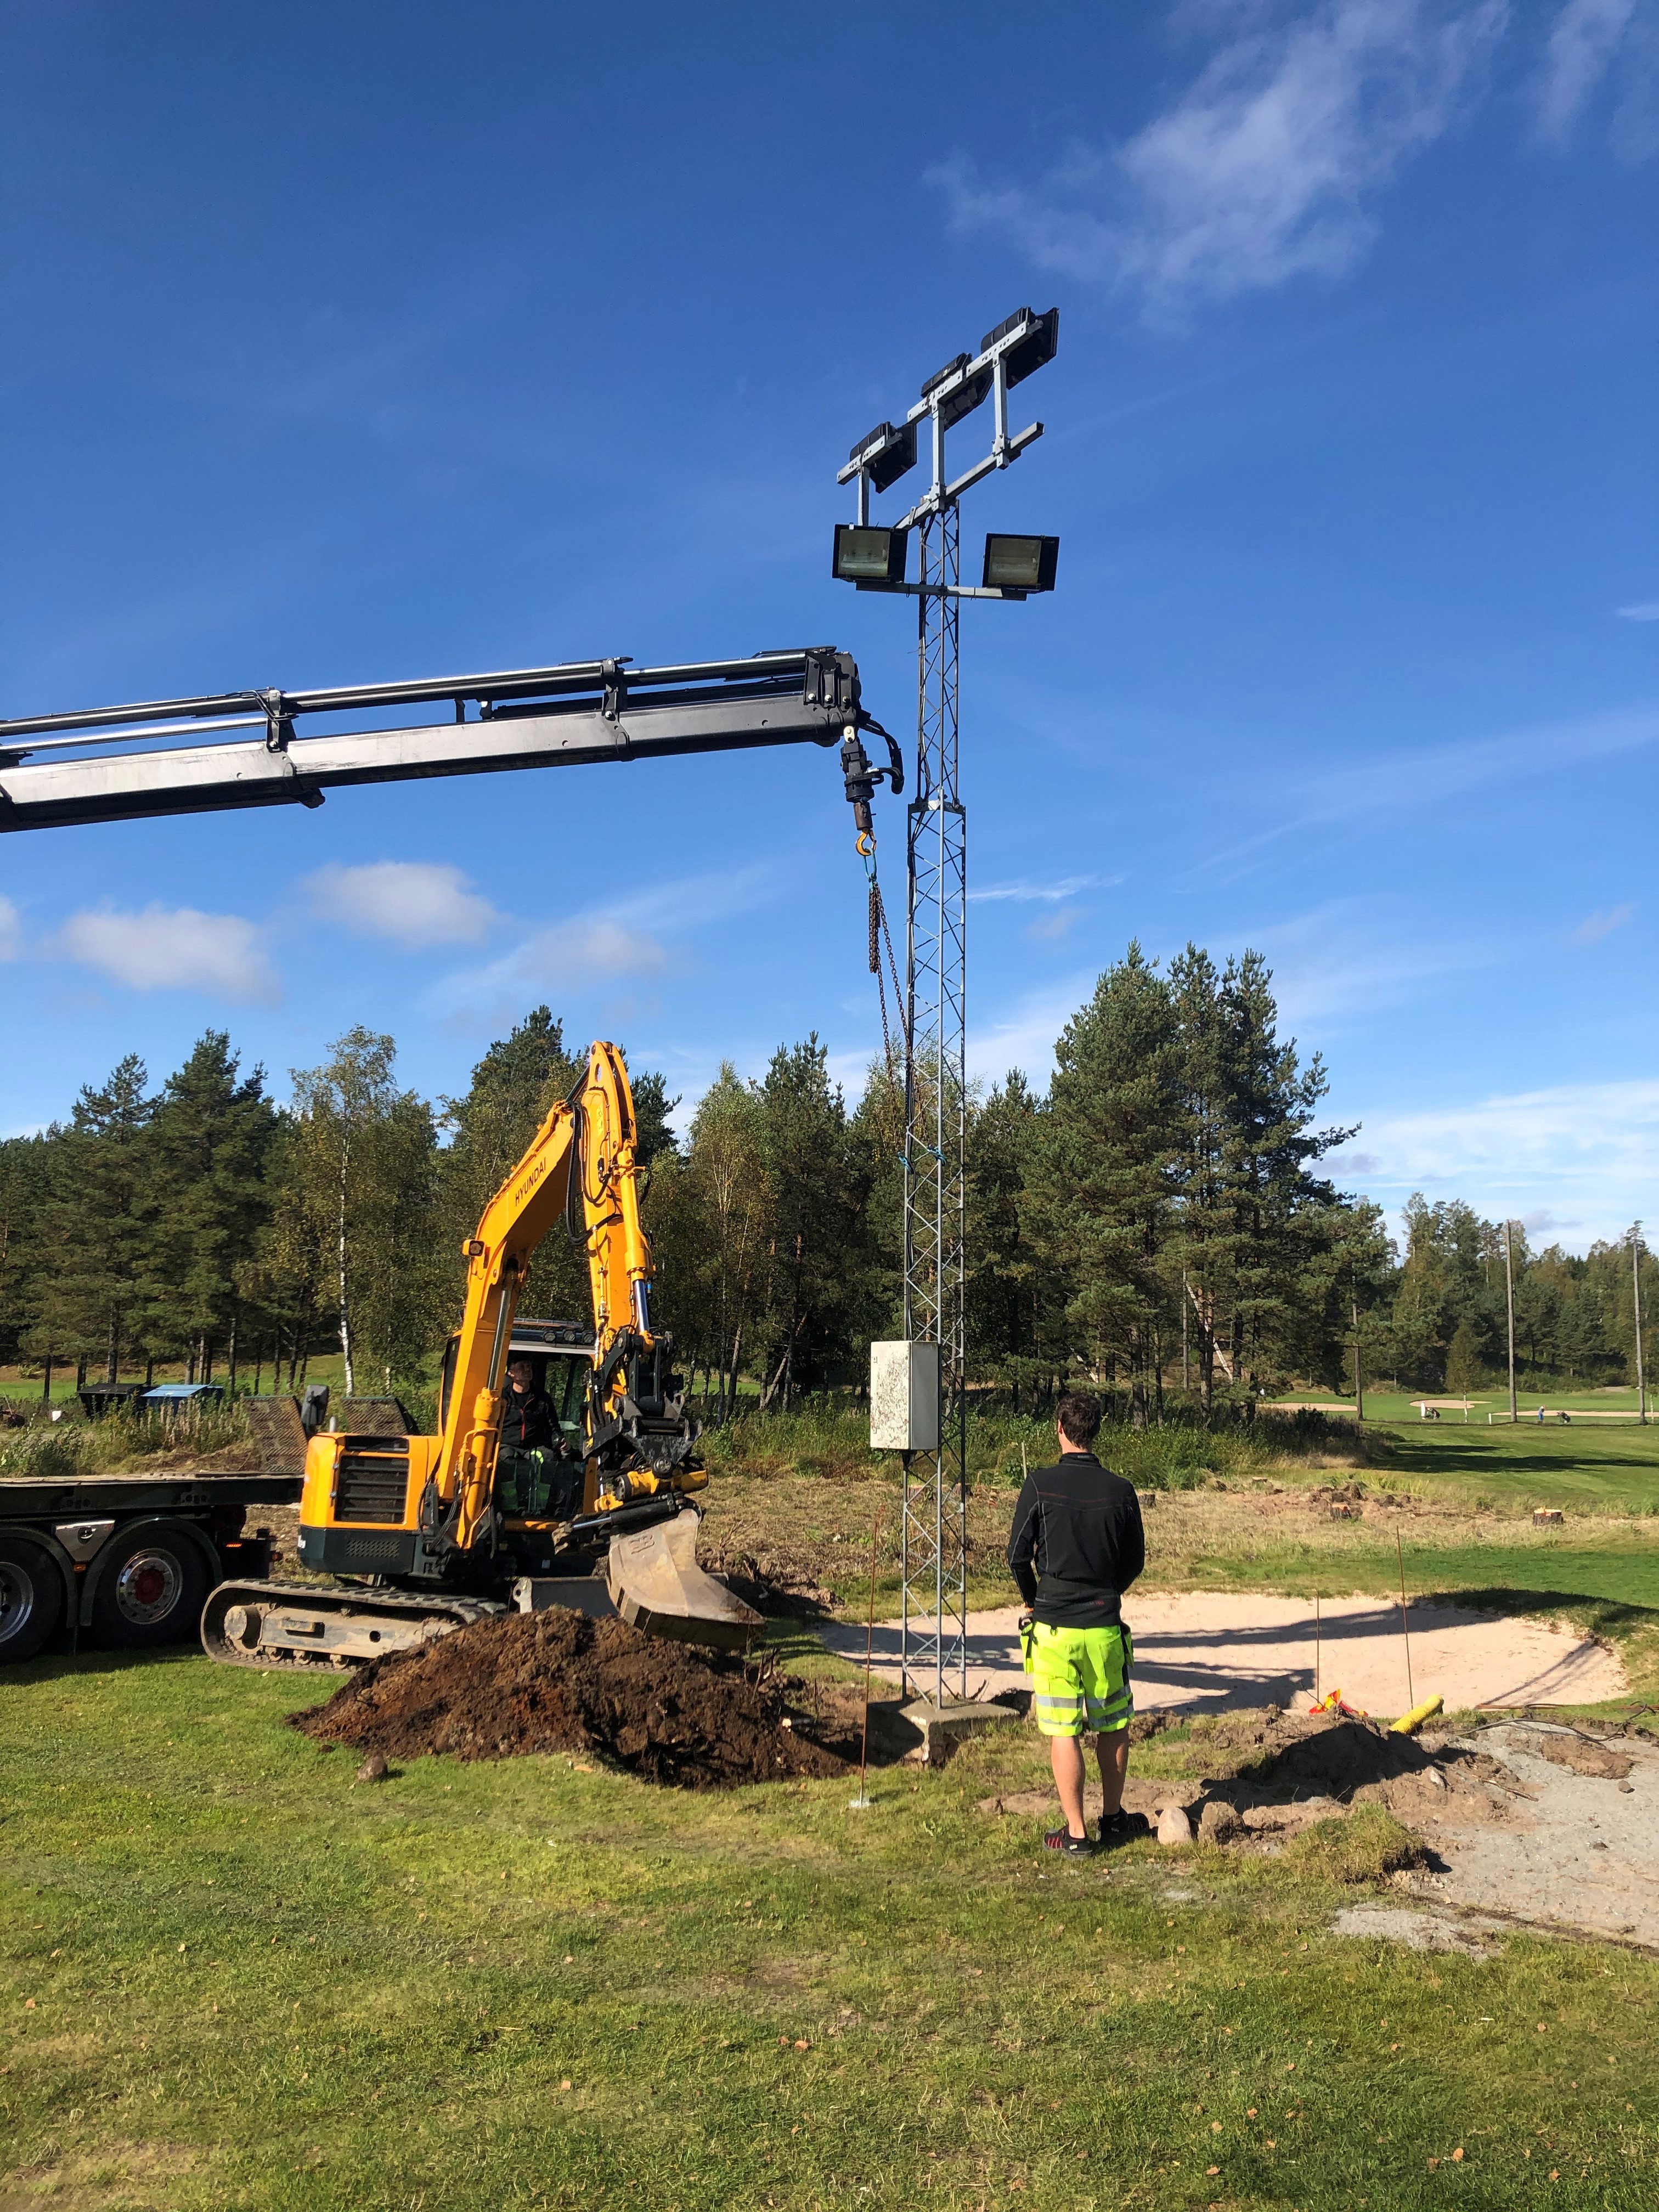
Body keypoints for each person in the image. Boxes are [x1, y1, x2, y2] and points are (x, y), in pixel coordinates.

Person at [1007, 1391, 1147, 1855]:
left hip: (1053, 1629)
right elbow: (1135, 1561)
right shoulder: (1121, 1490)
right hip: (1104, 1626)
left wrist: (1035, 1600)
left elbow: (1016, 1557)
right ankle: (1113, 1818)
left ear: (1060, 1430)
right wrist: (1108, 1594)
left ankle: (1077, 1834)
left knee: (1064, 1731)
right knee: (1113, 1726)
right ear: (1096, 1432)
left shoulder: (1039, 1485)